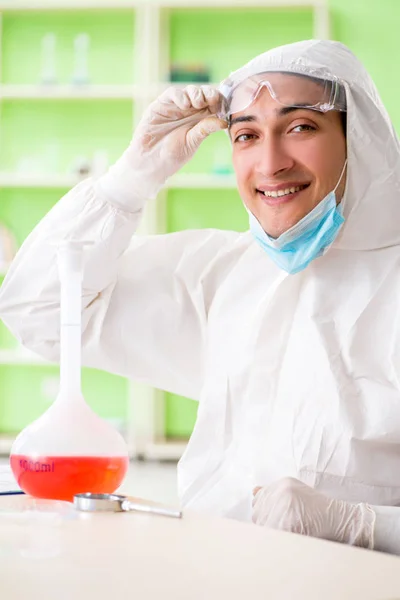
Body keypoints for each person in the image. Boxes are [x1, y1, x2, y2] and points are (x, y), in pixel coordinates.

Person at [1, 39, 400, 555]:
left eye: (300, 126)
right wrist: (133, 175)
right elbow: (38, 310)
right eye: (247, 135)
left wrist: (360, 526)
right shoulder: (226, 276)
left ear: (358, 137)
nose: (270, 163)